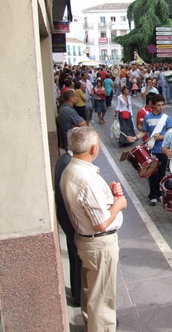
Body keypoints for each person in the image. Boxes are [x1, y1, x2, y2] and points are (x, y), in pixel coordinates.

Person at [60, 126, 127, 332]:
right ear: (93, 149)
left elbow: (90, 205)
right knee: (103, 298)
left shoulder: (71, 168)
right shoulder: (86, 179)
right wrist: (118, 204)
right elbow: (100, 223)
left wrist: (108, 195)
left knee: (92, 289)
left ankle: (91, 323)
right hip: (99, 243)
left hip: (87, 241)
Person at [129, 94, 172, 206]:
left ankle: (160, 192)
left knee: (161, 173)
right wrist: (135, 137)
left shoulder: (166, 118)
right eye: (158, 105)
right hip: (151, 149)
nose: (161, 107)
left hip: (163, 150)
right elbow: (144, 132)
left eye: (162, 105)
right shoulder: (147, 118)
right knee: (152, 173)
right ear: (153, 105)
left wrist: (161, 137)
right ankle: (153, 195)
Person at [54, 149, 82, 307]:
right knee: (78, 256)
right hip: (70, 217)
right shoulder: (68, 164)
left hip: (65, 215)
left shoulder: (64, 158)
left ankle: (76, 292)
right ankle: (79, 296)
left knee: (74, 254)